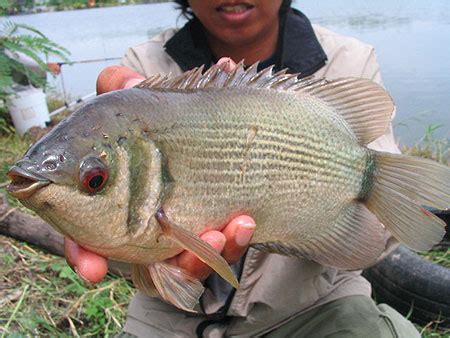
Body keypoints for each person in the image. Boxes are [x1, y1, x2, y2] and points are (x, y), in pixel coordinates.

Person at [66, 1, 421, 336]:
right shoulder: (142, 67)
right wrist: (97, 230)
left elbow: (382, 231)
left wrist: (326, 194)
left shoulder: (349, 60)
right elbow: (127, 240)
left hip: (313, 304)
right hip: (172, 316)